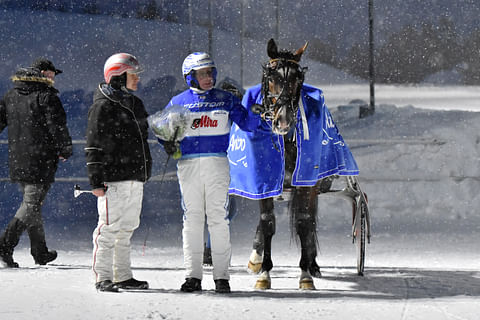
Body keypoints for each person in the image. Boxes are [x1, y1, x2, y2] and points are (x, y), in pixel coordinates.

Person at [158, 52, 260, 293]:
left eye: (211, 72)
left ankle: (221, 277)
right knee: (192, 220)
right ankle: (192, 276)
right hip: (189, 166)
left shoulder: (226, 99)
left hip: (217, 164)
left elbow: (249, 125)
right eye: (202, 73)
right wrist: (169, 146)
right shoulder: (177, 101)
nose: (208, 77)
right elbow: (162, 131)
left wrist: (256, 111)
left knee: (218, 219)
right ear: (189, 77)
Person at [85, 53, 152, 292]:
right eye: (133, 75)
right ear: (118, 76)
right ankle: (102, 276)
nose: (137, 80)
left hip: (135, 176)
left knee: (127, 228)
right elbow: (93, 145)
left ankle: (122, 275)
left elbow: (144, 137)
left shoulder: (135, 104)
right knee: (108, 228)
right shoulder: (102, 105)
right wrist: (95, 180)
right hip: (113, 178)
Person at [0, 57, 72, 268]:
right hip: (40, 160)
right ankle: (5, 244)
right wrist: (65, 148)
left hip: (18, 159)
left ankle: (39, 251)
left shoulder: (11, 95)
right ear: (40, 73)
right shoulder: (46, 97)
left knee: (33, 206)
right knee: (31, 205)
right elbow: (57, 126)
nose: (53, 78)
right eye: (51, 74)